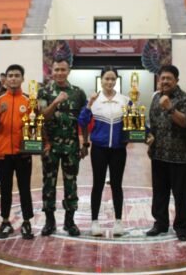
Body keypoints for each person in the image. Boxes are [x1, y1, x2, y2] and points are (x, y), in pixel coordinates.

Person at [38, 57, 88, 237]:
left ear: (69, 71)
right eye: (56, 70)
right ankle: (49, 221)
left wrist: (85, 143)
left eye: (63, 70)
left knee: (71, 183)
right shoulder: (44, 92)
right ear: (52, 71)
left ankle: (69, 221)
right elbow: (42, 117)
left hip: (72, 146)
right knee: (48, 183)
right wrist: (56, 102)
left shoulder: (78, 93)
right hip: (50, 146)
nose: (59, 73)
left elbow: (84, 120)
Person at [79, 66, 130, 237]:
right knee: (98, 184)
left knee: (117, 185)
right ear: (101, 80)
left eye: (113, 79)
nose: (109, 82)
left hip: (118, 150)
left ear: (116, 81)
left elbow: (136, 122)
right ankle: (94, 222)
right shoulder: (94, 100)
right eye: (106, 78)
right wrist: (89, 104)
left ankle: (118, 222)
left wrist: (147, 135)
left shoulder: (125, 100)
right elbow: (82, 121)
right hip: (99, 149)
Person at [146, 65, 186, 241]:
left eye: (169, 78)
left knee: (180, 194)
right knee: (159, 193)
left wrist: (170, 107)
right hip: (158, 154)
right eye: (162, 78)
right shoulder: (156, 98)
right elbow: (152, 124)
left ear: (176, 80)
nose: (165, 81)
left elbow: (185, 122)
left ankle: (181, 227)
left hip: (179, 156)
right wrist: (149, 139)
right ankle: (160, 223)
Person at [0, 64, 34, 240]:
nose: (13, 78)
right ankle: (5, 221)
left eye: (17, 75)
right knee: (5, 189)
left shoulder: (29, 101)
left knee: (25, 188)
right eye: (10, 75)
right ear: (5, 79)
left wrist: (33, 146)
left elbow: (34, 127)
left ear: (22, 79)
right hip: (3, 153)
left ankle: (26, 222)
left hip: (23, 153)